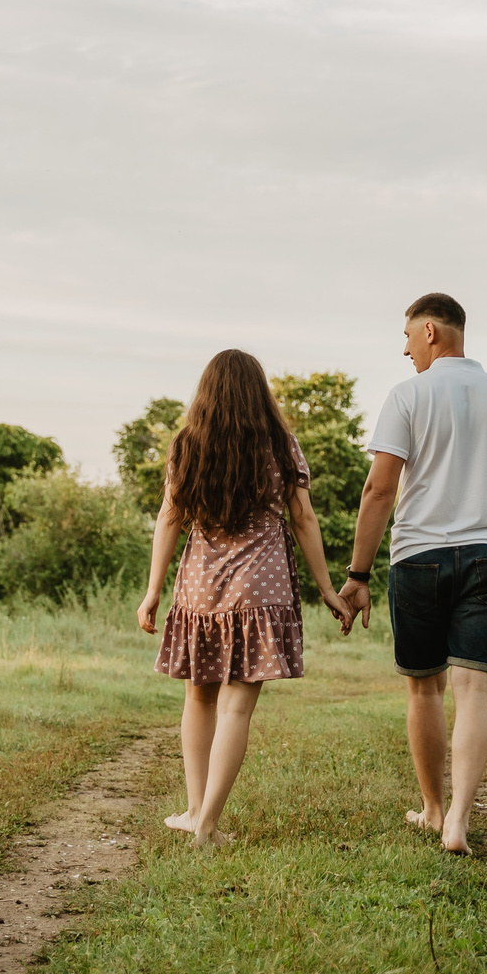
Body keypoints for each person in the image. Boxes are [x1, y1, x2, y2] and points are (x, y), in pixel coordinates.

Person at [335, 293, 487, 855]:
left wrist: (358, 574)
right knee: (475, 692)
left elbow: (379, 490)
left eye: (407, 337)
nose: (405, 351)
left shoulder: (407, 396)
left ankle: (431, 809)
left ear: (430, 331)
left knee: (425, 687)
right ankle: (458, 823)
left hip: (419, 556)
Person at [137, 348, 349, 847]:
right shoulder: (280, 444)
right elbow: (304, 519)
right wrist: (327, 589)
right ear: (260, 393)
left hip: (201, 587)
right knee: (236, 709)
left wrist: (152, 591)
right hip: (261, 585)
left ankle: (196, 812)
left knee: (198, 696)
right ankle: (206, 823)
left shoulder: (186, 445)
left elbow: (169, 517)